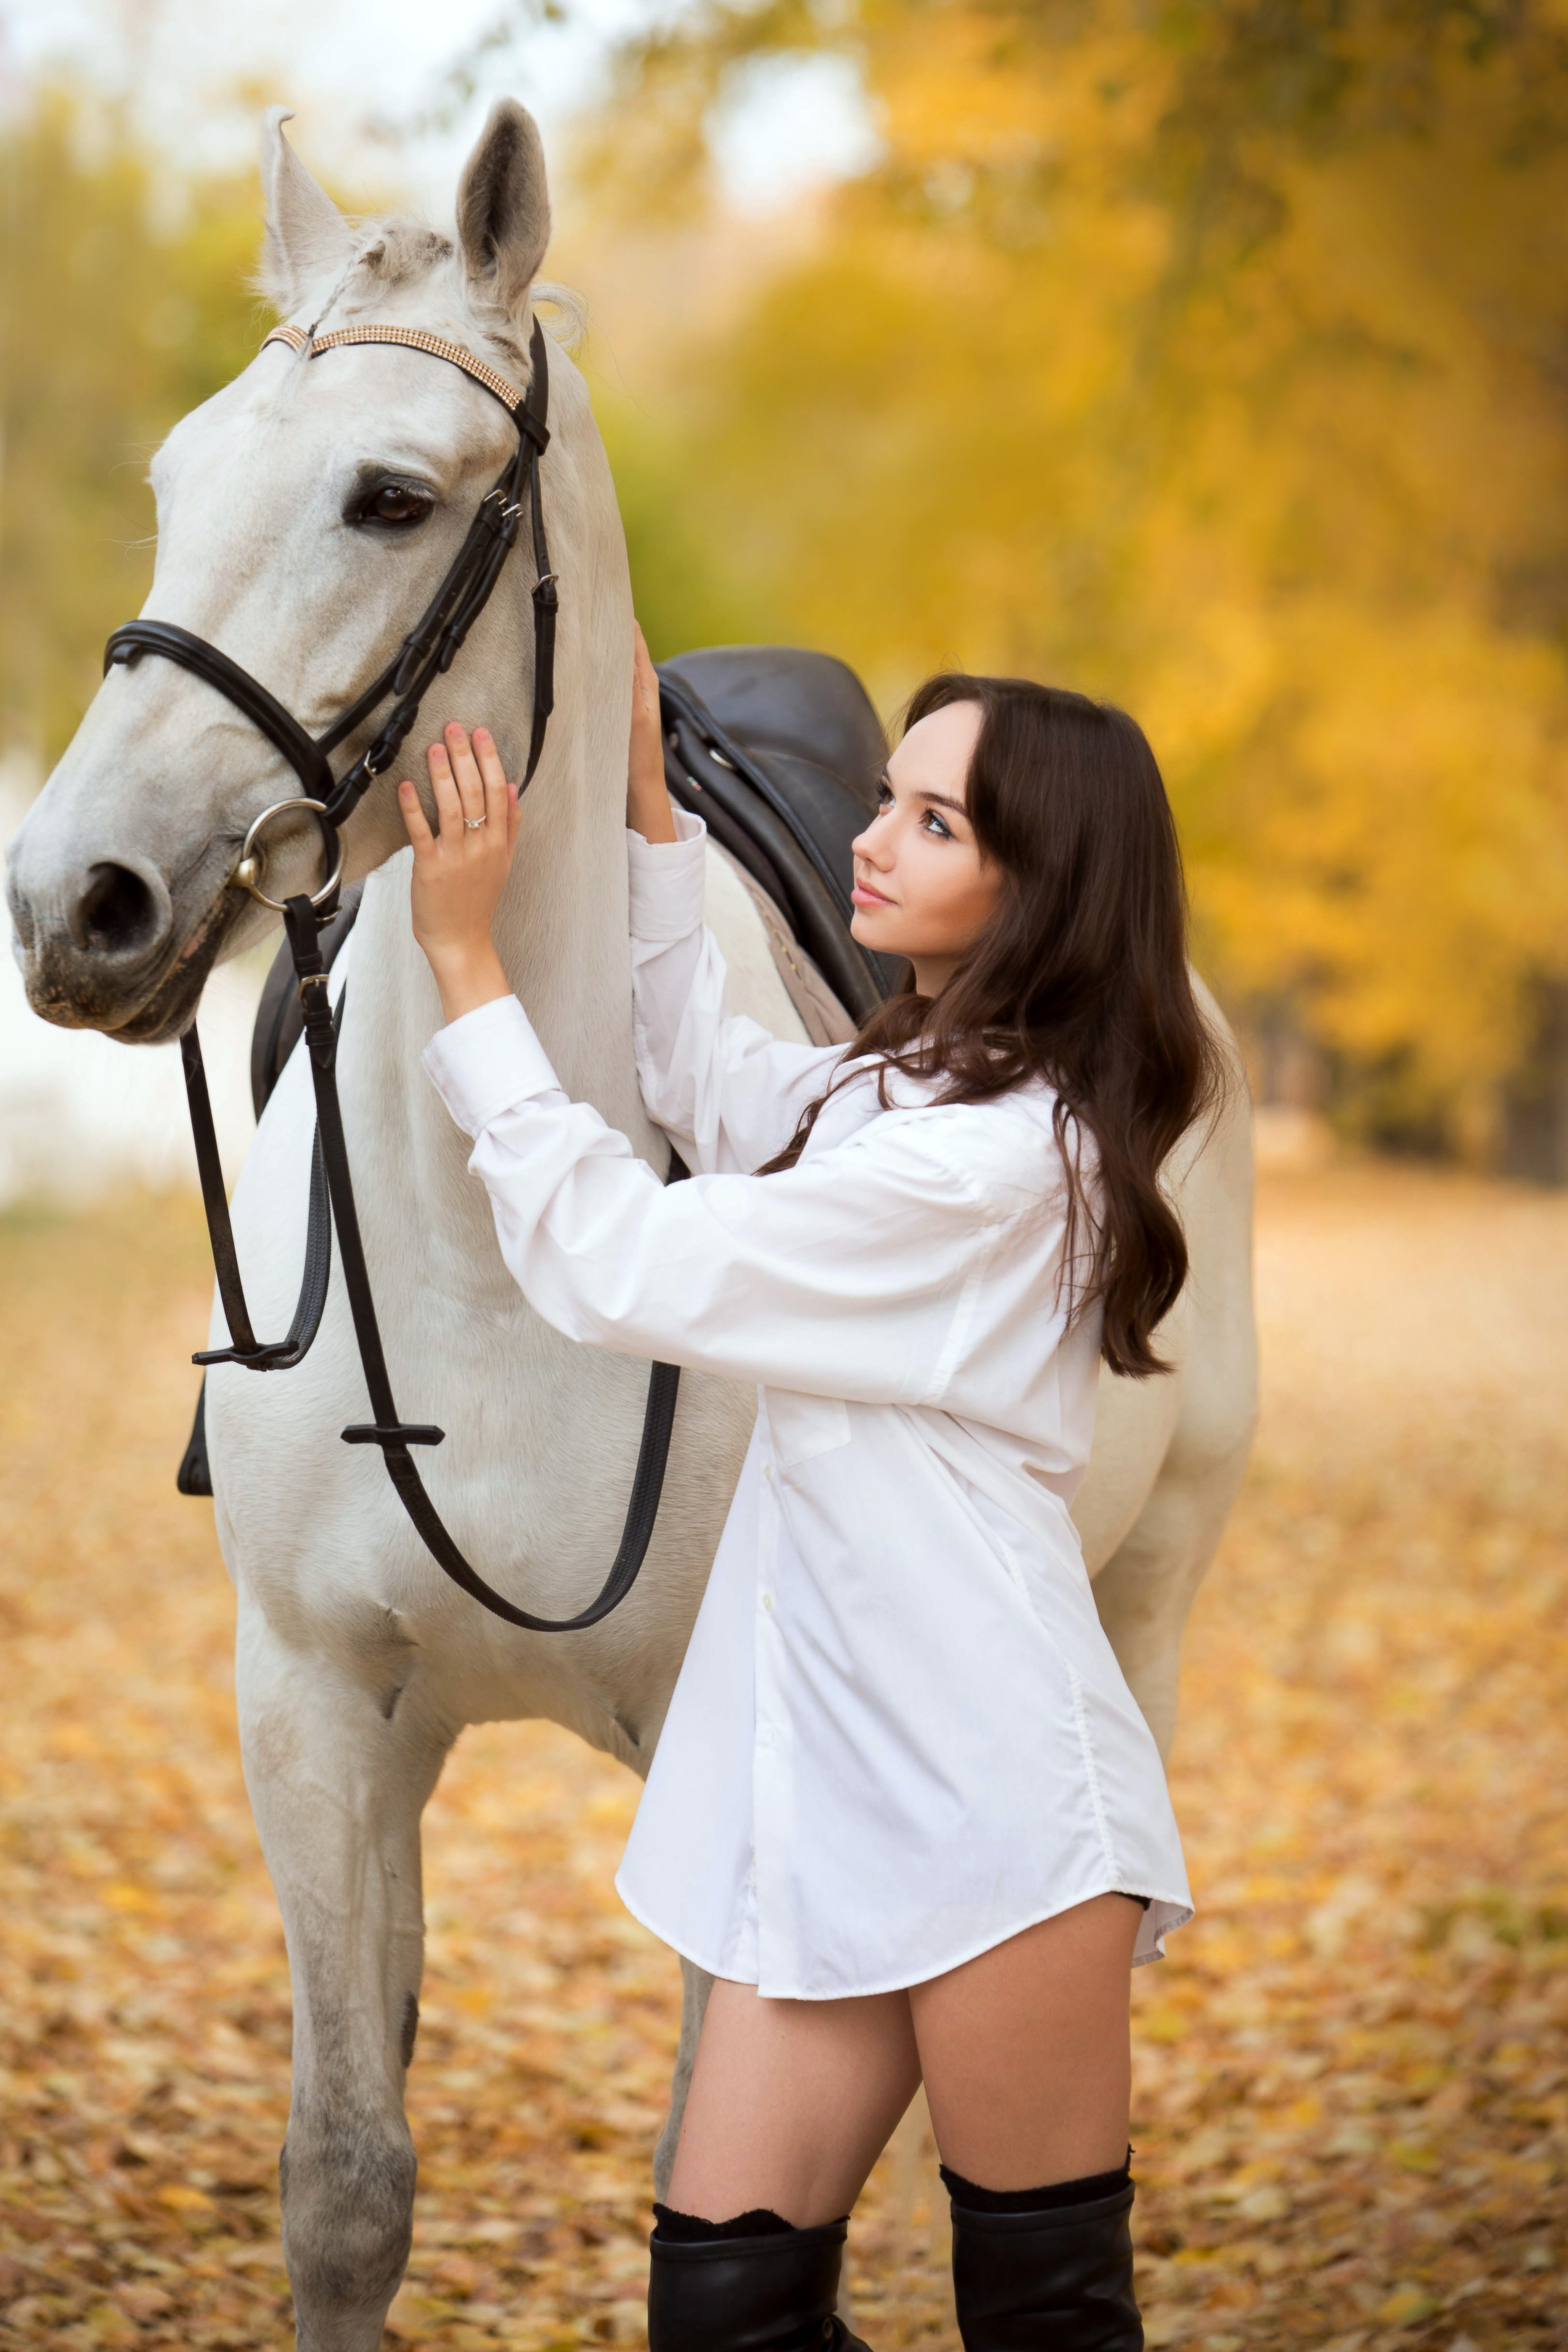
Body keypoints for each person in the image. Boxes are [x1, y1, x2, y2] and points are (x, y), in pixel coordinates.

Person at [398, 628, 1221, 2352]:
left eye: (934, 823)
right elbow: (716, 1083)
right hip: (822, 1794)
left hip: (996, 1807)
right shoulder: (907, 1090)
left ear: (1043, 886)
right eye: (889, 797)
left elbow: (620, 1256)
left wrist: (464, 963)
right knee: (725, 2320)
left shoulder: (999, 1162)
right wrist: (645, 812)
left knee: (1045, 2322)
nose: (872, 837)